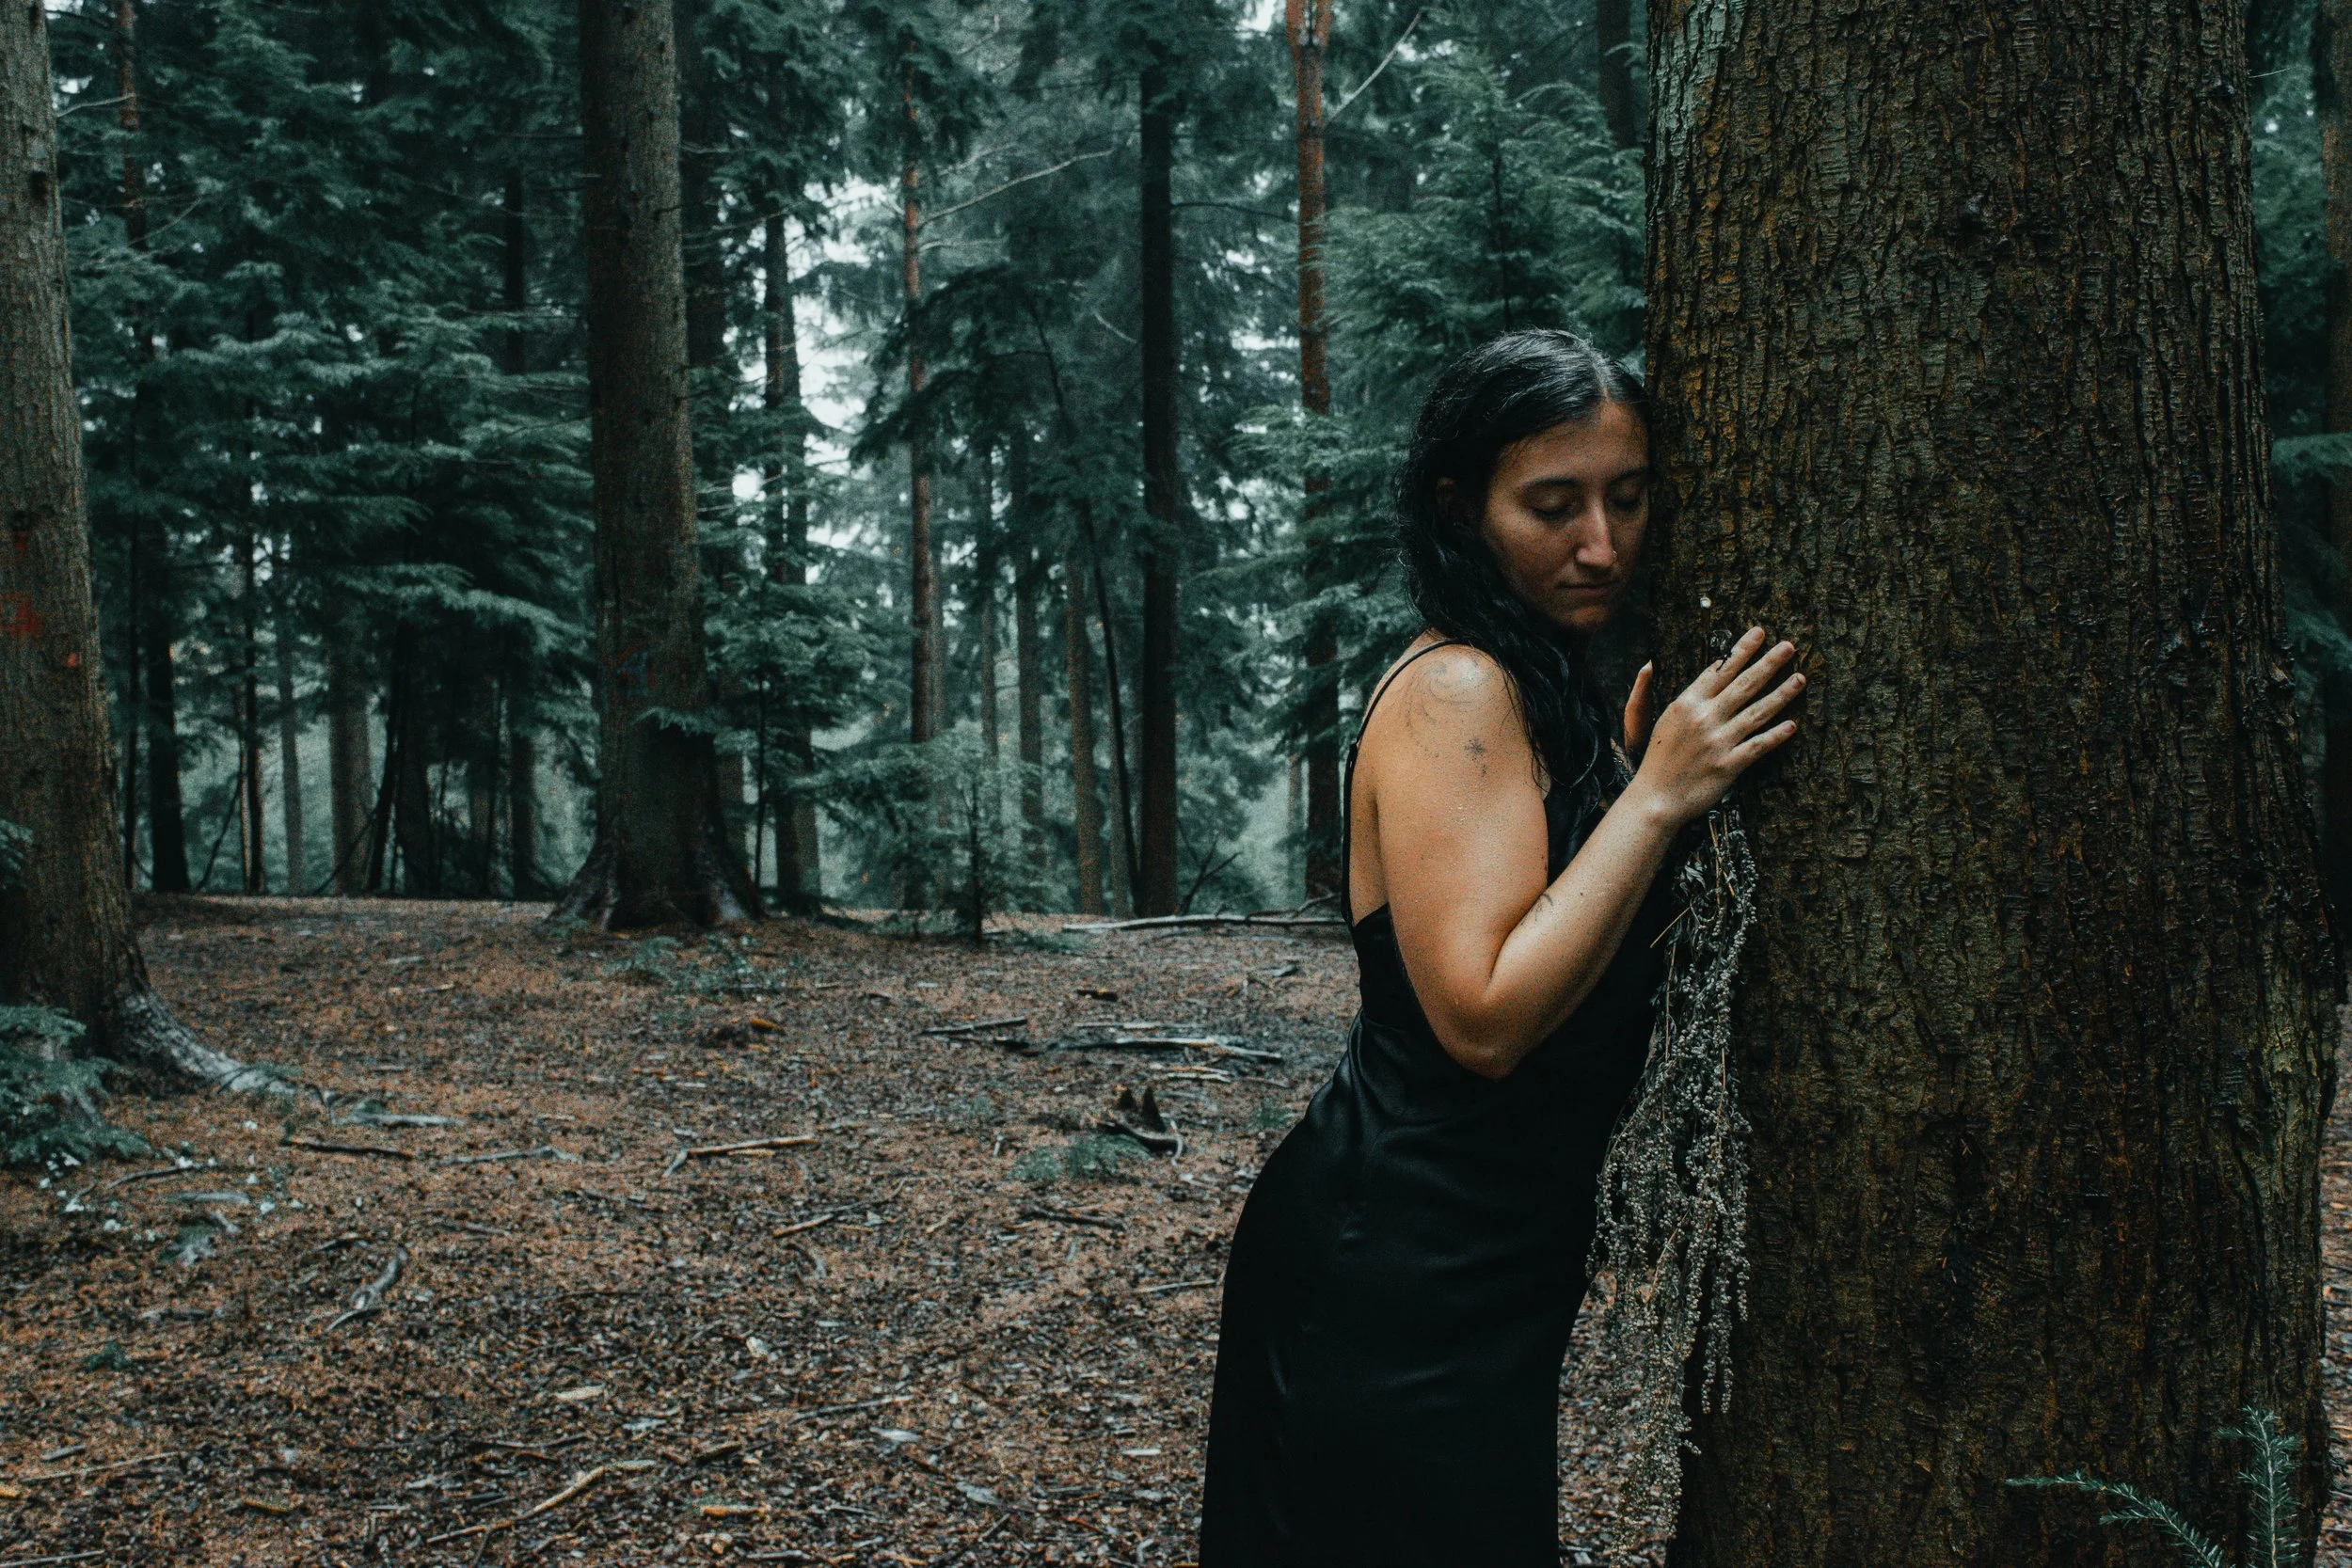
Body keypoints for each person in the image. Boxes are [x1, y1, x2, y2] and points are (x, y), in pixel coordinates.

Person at [1197, 329, 1805, 1566]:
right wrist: (1654, 802)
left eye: (1628, 498)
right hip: (1395, 1272)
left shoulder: (1542, 687)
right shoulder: (1457, 692)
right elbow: (1481, 1017)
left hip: (1476, 1275)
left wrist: (1632, 804)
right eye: (1552, 505)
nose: (1603, 543)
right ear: (1456, 507)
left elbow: (1571, 956)